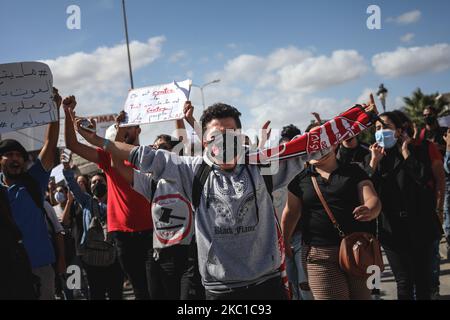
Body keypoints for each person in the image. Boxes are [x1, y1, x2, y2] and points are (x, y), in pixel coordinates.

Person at [75, 98, 377, 300]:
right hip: (220, 289)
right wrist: (100, 141)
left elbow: (310, 143)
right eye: (217, 135)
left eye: (232, 133)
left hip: (267, 282)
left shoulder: (262, 163)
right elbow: (144, 156)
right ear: (204, 140)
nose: (225, 141)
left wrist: (360, 117)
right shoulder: (190, 170)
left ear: (241, 136)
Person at [63, 96, 152, 300]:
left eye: (127, 125)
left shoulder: (150, 156)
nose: (123, 129)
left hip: (151, 232)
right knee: (139, 290)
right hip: (122, 236)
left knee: (156, 289)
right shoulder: (107, 158)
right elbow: (72, 144)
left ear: (138, 129)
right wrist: (67, 113)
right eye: (120, 126)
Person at [282, 123, 380, 300]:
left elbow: (371, 196)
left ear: (334, 142)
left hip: (358, 250)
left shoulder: (354, 171)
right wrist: (285, 240)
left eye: (322, 139)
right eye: (312, 141)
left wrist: (371, 209)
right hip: (319, 255)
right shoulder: (300, 180)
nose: (318, 146)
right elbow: (291, 212)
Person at [367, 112, 442, 300]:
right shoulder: (375, 157)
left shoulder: (418, 149)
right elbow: (367, 190)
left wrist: (407, 154)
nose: (381, 131)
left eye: (385, 126)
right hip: (392, 230)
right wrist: (373, 163)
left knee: (423, 282)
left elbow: (424, 178)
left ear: (399, 130)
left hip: (422, 225)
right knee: (404, 281)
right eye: (377, 128)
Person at [0, 88, 62, 300]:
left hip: (39, 266)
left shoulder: (33, 182)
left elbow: (49, 145)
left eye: (19, 155)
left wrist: (54, 109)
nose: (15, 158)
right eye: (9, 154)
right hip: (7, 271)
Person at [394, 109, 445, 299]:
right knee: (407, 279)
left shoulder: (426, 147)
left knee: (427, 271)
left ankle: (433, 291)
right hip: (401, 225)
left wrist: (439, 208)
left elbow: (439, 180)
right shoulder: (384, 154)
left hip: (426, 217)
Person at [63, 165, 124, 300]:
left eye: (100, 181)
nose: (96, 184)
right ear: (90, 188)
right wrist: (67, 169)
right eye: (93, 182)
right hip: (92, 259)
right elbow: (73, 186)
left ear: (108, 185)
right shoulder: (86, 202)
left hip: (114, 258)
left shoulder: (116, 202)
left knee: (116, 294)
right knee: (97, 294)